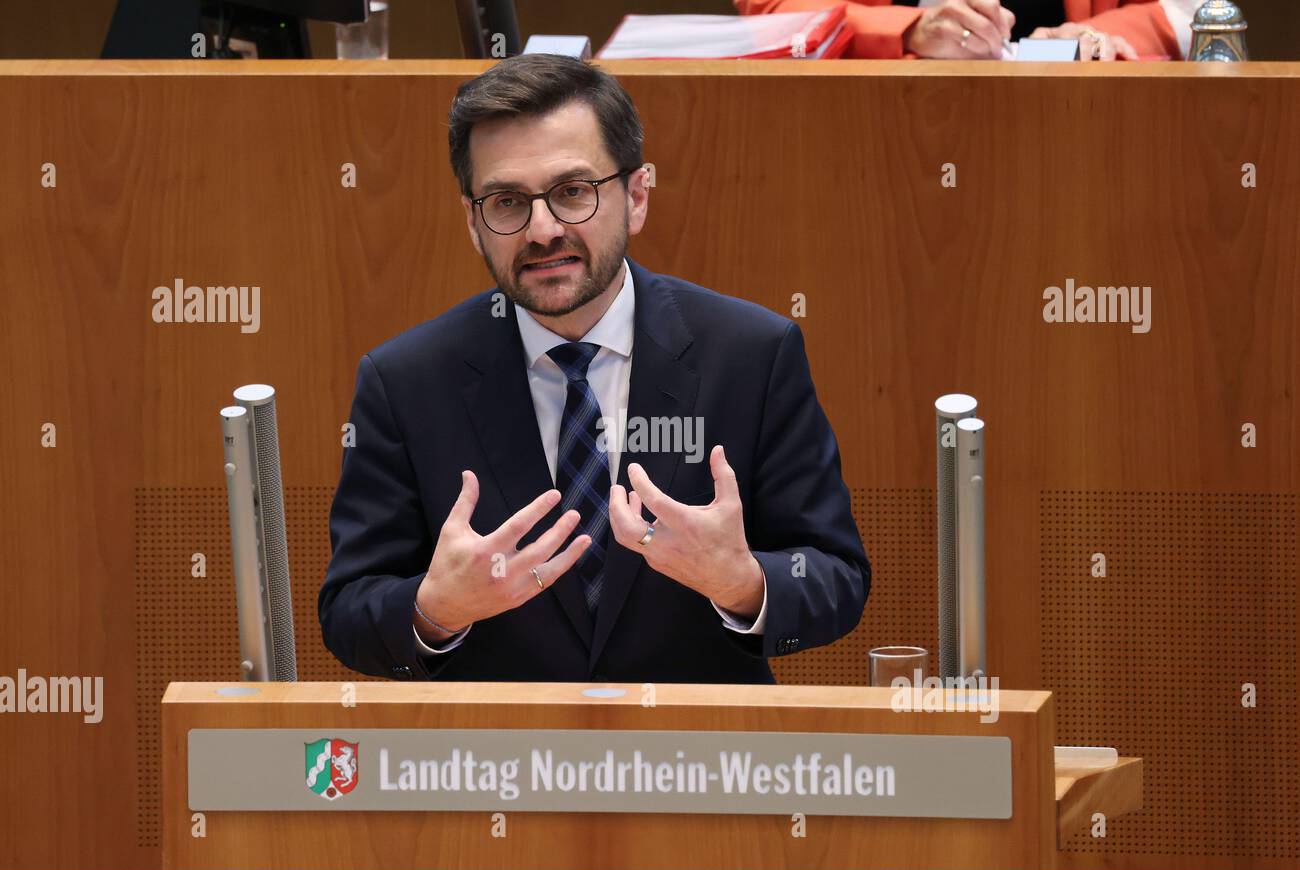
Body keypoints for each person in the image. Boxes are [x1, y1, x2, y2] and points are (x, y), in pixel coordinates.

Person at [317, 53, 871, 684]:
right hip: (494, 766)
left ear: (636, 197)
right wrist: (435, 611)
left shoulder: (752, 354)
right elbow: (349, 612)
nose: (543, 229)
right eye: (505, 202)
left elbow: (837, 578)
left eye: (573, 192)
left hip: (702, 760)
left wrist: (742, 583)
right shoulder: (406, 381)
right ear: (474, 223)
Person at [733, 0, 1199, 60]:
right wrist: (905, 28)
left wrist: (1094, 35)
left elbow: (1188, 10)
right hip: (871, 136)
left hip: (1086, 128)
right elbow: (772, 11)